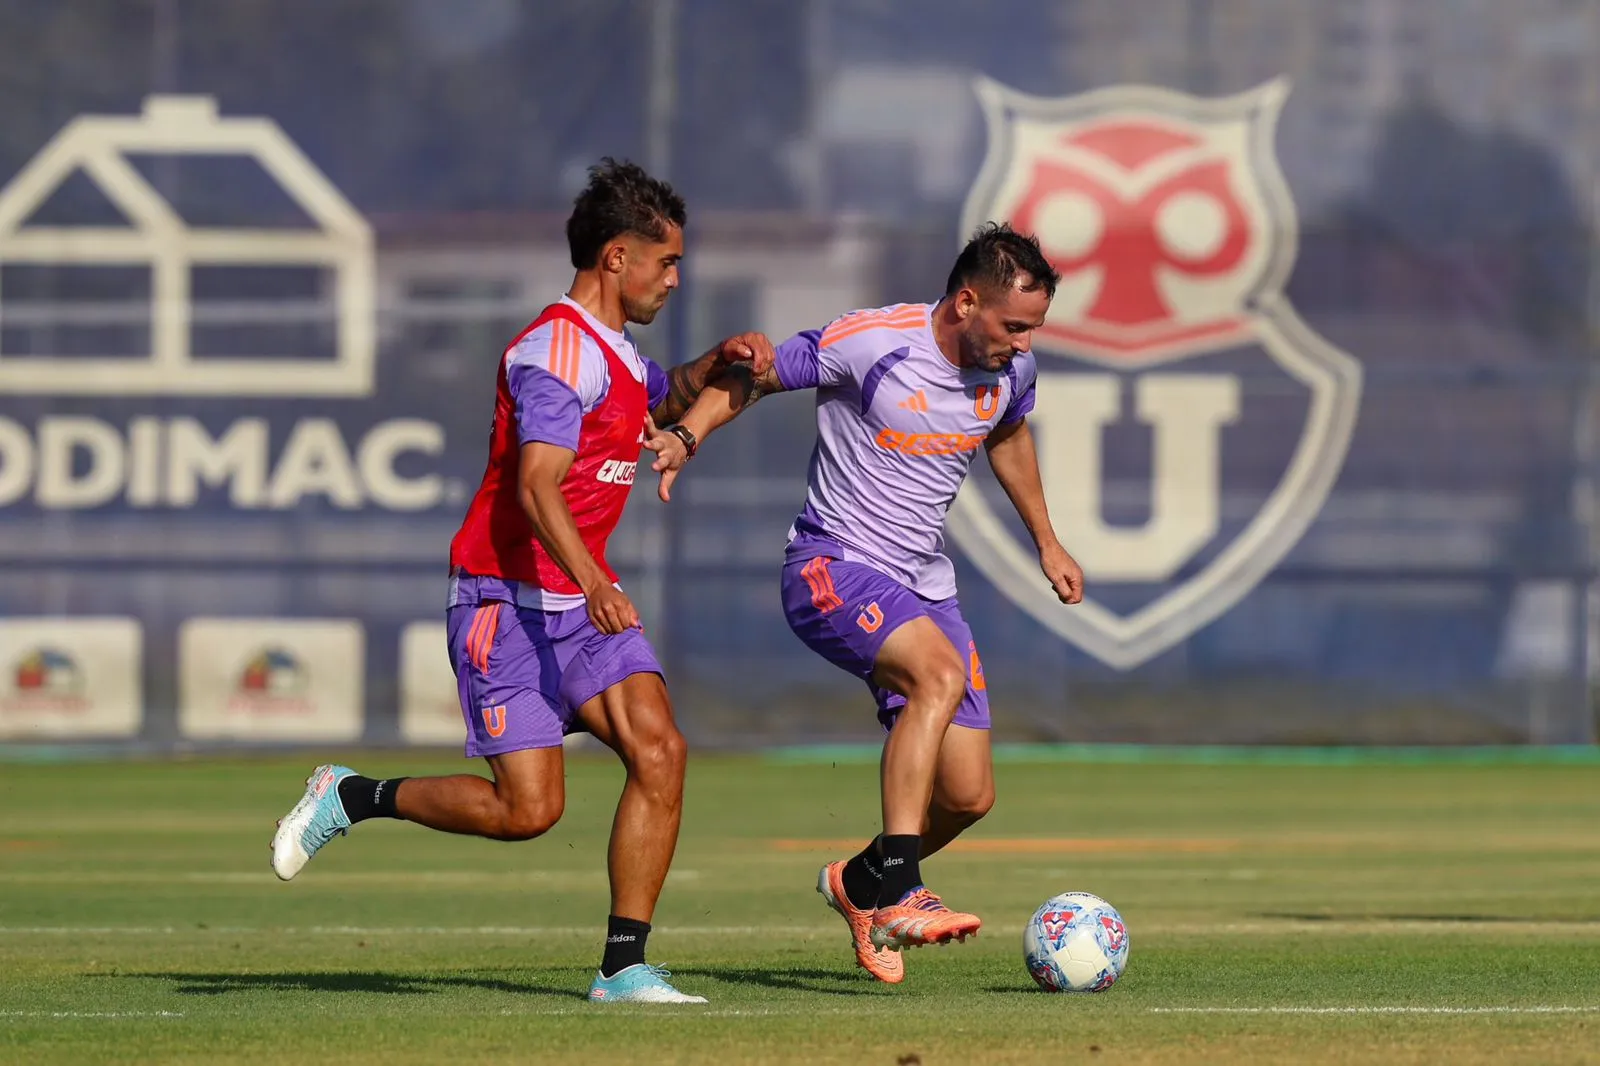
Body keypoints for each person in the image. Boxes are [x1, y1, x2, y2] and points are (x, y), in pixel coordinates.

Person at [270, 158, 773, 1005]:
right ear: (617, 258)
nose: (675, 278)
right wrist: (597, 581)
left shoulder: (614, 350)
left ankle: (623, 968)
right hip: (503, 602)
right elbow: (536, 485)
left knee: (661, 751)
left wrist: (720, 360)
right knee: (527, 813)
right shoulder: (551, 353)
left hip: (578, 604)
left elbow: (666, 392)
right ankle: (354, 796)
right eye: (666, 262)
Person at [652, 222, 1083, 984]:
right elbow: (756, 372)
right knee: (938, 679)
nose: (1022, 344)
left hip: (923, 583)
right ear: (964, 301)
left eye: (1034, 330)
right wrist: (688, 432)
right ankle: (903, 894)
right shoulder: (874, 340)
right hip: (833, 566)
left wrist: (1047, 540)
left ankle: (859, 884)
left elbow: (1008, 435)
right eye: (1013, 326)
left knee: (970, 795)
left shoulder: (1012, 371)